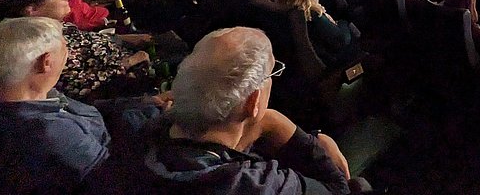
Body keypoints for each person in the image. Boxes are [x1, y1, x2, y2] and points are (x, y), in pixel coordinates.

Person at [139, 27, 362, 194]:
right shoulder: (253, 185)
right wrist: (278, 125)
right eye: (273, 74)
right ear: (253, 101)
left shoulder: (134, 121)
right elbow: (337, 189)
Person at [0, 17, 112, 194]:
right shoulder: (52, 133)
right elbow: (114, 177)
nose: (69, 52)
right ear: (46, 62)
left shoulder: (26, 92)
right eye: (65, 47)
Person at [0, 0, 151, 101]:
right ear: (32, 10)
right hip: (127, 83)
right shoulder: (40, 45)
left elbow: (88, 39)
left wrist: (122, 38)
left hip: (125, 50)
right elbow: (80, 86)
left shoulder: (56, 25)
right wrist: (130, 62)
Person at [277, 0, 358, 68]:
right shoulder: (311, 13)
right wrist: (342, 23)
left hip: (299, 65)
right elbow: (342, 40)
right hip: (332, 62)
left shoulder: (281, 11)